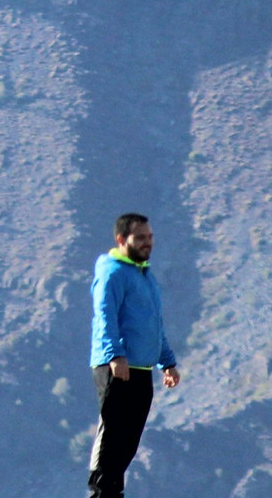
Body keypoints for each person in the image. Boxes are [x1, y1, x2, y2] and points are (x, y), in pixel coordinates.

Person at [88, 213, 180, 498]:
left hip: (142, 368)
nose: (147, 243)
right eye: (140, 238)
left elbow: (154, 324)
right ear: (121, 240)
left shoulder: (145, 276)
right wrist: (115, 355)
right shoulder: (113, 272)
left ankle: (113, 494)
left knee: (128, 441)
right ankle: (100, 494)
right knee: (113, 435)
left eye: (149, 237)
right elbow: (105, 315)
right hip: (117, 366)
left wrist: (168, 361)